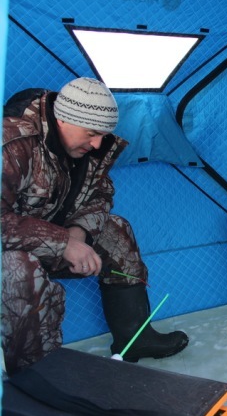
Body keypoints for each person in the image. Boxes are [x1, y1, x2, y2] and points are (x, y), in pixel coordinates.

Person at [1, 77, 189, 376]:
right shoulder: (12, 144)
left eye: (103, 134)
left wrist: (78, 234)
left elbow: (101, 195)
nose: (98, 144)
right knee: (17, 266)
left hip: (56, 238)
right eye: (91, 133)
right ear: (63, 119)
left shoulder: (90, 148)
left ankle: (135, 339)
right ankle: (35, 373)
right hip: (11, 251)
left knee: (116, 230)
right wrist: (63, 243)